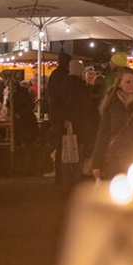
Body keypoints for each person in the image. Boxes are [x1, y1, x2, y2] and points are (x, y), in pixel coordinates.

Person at [50, 59, 97, 190]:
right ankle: (77, 184)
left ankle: (65, 184)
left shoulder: (62, 84)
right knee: (78, 156)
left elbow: (56, 103)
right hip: (80, 126)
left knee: (65, 156)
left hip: (65, 126)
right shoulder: (81, 86)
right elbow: (86, 108)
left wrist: (61, 120)